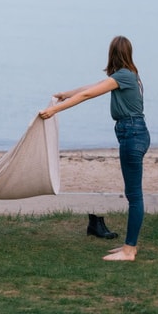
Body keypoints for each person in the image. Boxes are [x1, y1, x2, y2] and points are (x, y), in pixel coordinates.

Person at [39, 35, 149, 262]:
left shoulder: (124, 76)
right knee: (133, 194)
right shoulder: (127, 75)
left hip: (132, 134)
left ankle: (129, 250)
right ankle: (129, 246)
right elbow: (91, 87)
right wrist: (65, 94)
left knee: (134, 196)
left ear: (113, 54)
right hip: (133, 132)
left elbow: (89, 94)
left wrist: (54, 111)